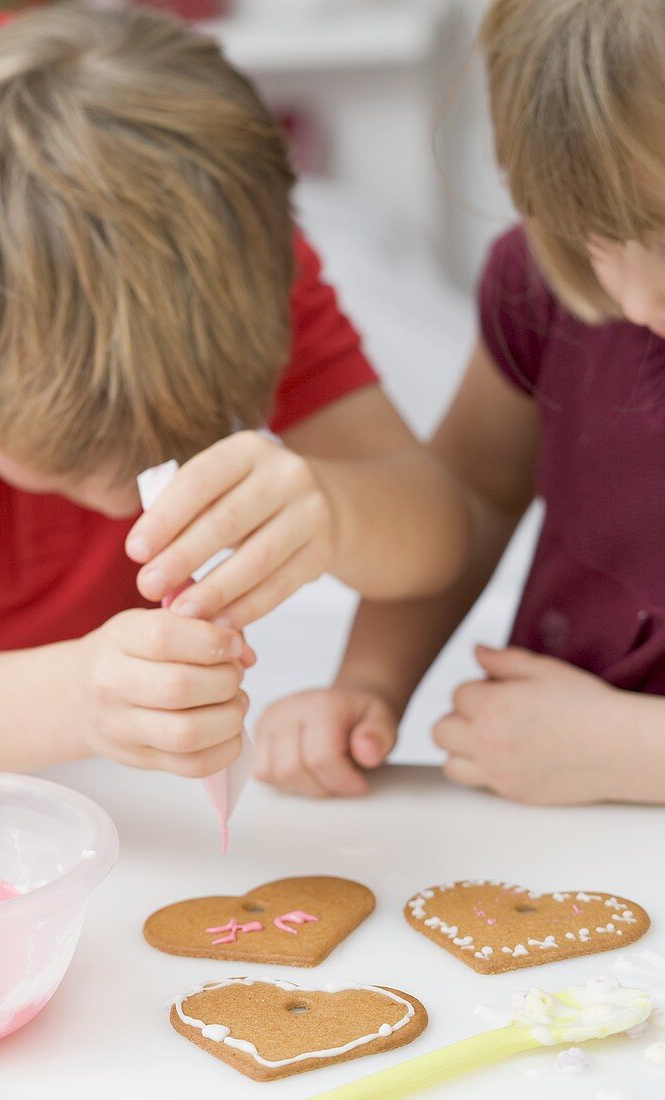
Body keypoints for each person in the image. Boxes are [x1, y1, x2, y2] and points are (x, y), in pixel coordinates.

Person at [0, 7, 465, 774]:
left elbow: (436, 531)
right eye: (70, 462)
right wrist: (73, 699)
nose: (130, 510)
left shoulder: (221, 238)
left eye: (186, 441)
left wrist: (335, 509)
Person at [257, 0, 665, 808]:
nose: (634, 296)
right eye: (587, 236)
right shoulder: (542, 288)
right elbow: (474, 493)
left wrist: (632, 754)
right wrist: (371, 681)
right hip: (545, 822)